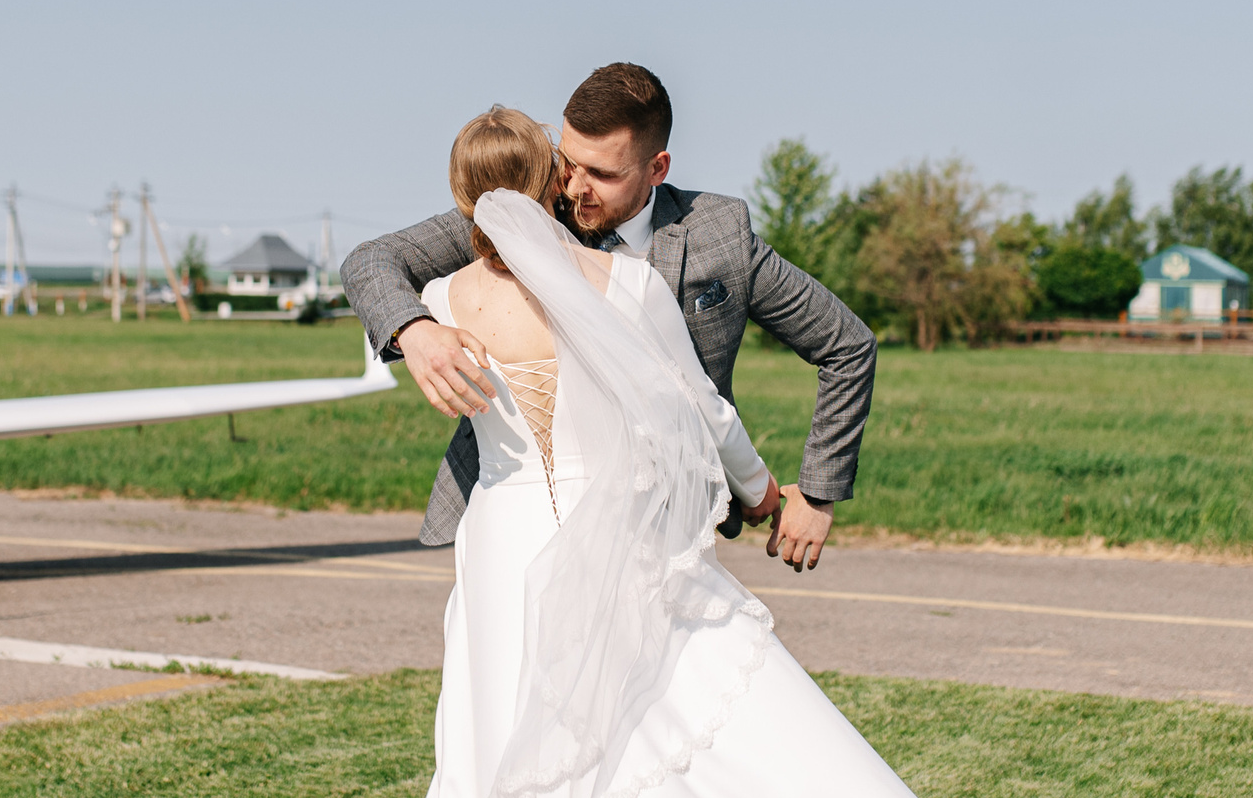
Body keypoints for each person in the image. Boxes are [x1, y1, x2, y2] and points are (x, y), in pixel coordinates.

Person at [381, 109, 1091, 798]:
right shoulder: (624, 284)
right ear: (554, 182)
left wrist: (414, 330)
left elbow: (838, 344)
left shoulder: (440, 308)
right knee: (656, 744)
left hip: (506, 544)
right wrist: (760, 496)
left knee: (503, 754)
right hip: (613, 533)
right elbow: (703, 414)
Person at [344, 62, 873, 570]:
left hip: (672, 524)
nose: (574, 188)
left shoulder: (721, 236)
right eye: (568, 163)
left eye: (601, 173)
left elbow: (847, 345)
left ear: (656, 168)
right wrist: (412, 332)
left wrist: (820, 493)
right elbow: (371, 261)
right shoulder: (521, 213)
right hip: (528, 515)